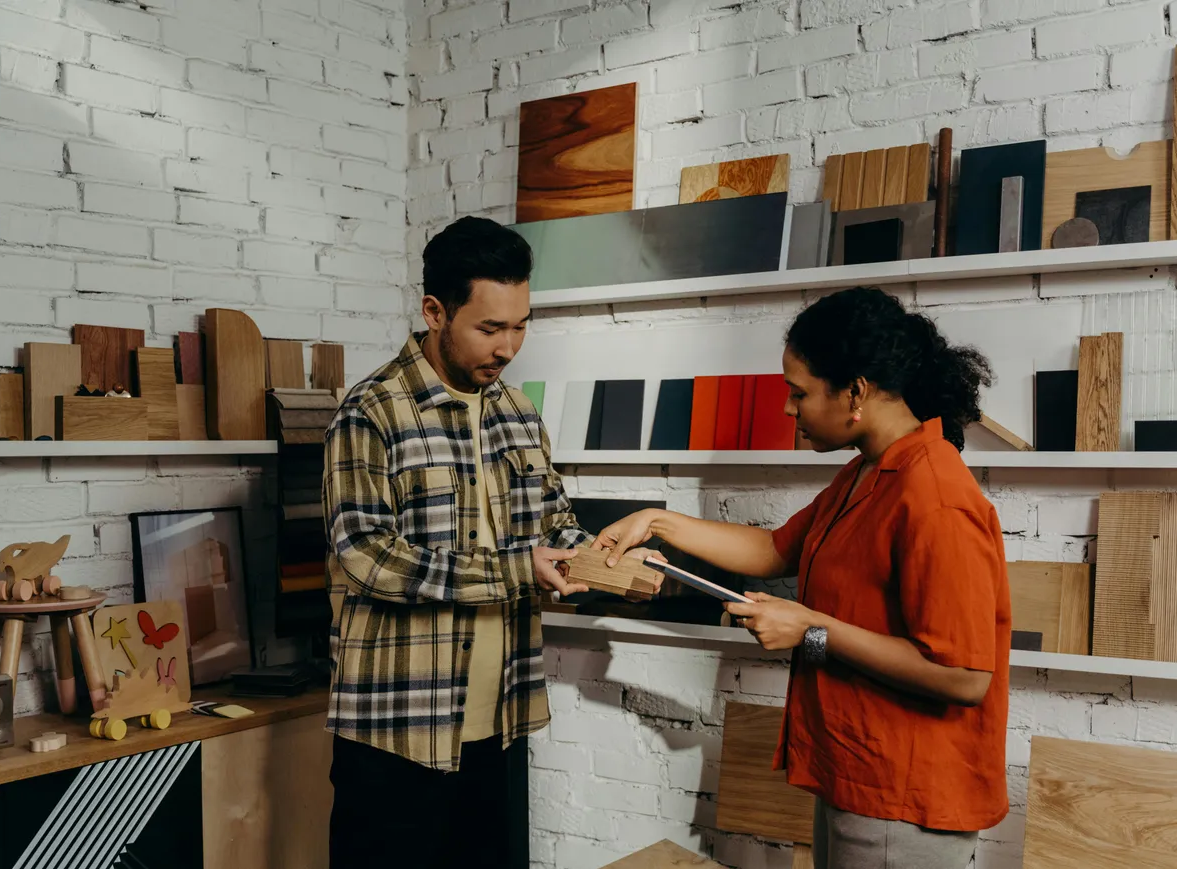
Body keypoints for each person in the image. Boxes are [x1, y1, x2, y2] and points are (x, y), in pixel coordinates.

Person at [595, 287, 1011, 869]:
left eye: (799, 393)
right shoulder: (868, 472)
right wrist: (656, 522)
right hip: (858, 777)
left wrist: (812, 627)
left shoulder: (934, 495)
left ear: (856, 391)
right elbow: (773, 549)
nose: (789, 410)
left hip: (906, 797)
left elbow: (965, 675)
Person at [322, 216, 654, 868]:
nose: (509, 346)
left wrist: (609, 558)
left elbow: (552, 523)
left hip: (499, 725)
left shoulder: (518, 414)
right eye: (490, 327)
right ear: (434, 311)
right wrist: (514, 569)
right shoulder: (371, 411)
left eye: (521, 324)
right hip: (396, 735)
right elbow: (365, 554)